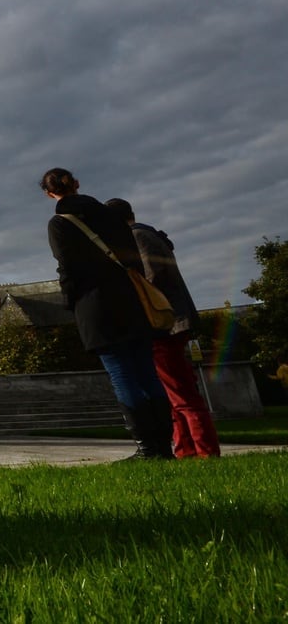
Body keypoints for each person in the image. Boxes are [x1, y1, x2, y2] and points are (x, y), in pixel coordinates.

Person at [40, 168, 172, 460]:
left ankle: (146, 448)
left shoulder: (60, 223)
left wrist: (69, 300)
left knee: (122, 374)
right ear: (76, 184)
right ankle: (164, 447)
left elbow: (67, 266)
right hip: (131, 298)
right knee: (147, 373)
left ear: (50, 194)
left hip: (95, 304)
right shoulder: (111, 215)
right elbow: (133, 258)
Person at [104, 199, 220, 458]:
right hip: (169, 323)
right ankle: (187, 449)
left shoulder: (138, 237)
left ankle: (204, 451)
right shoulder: (148, 234)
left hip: (163, 325)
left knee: (181, 394)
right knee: (175, 394)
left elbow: (150, 280)